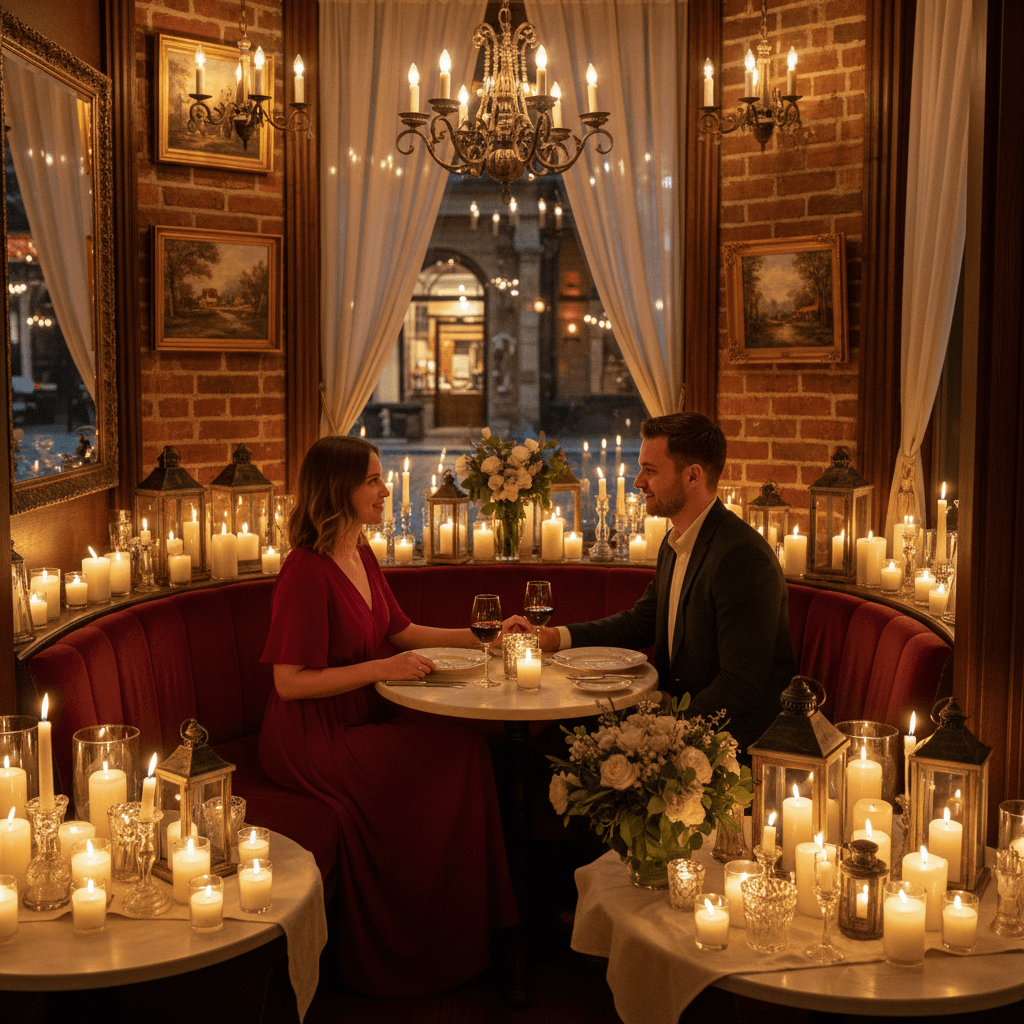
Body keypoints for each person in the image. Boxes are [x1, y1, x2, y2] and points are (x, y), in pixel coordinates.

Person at [259, 436, 518, 998]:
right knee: (461, 755)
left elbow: (403, 633)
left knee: (470, 738)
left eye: (381, 478)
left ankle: (477, 932)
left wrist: (488, 641)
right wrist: (384, 668)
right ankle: (450, 943)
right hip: (313, 737)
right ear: (340, 490)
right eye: (373, 480)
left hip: (359, 718)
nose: (385, 489)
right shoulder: (306, 569)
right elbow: (289, 682)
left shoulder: (361, 551)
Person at [535, 412, 795, 751]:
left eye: (651, 471)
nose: (638, 482)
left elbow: (741, 685)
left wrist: (663, 732)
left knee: (556, 750)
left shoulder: (742, 557)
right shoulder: (675, 540)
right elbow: (641, 621)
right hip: (674, 719)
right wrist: (557, 636)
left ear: (692, 476)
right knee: (554, 739)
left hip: (727, 740)